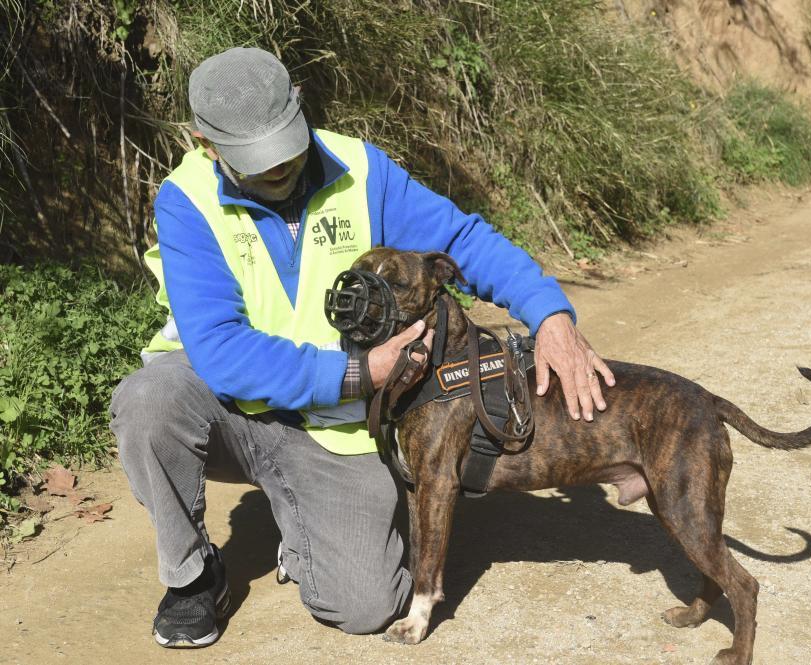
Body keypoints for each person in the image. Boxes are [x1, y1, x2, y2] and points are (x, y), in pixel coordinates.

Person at [109, 46, 615, 649]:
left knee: (367, 604)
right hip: (234, 408)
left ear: (300, 103)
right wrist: (362, 370)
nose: (279, 168)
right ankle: (193, 575)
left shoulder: (357, 167)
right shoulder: (185, 200)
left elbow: (458, 239)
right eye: (255, 158)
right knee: (148, 399)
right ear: (205, 143)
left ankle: (302, 522)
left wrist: (550, 313)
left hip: (334, 427)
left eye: (286, 145)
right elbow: (220, 351)